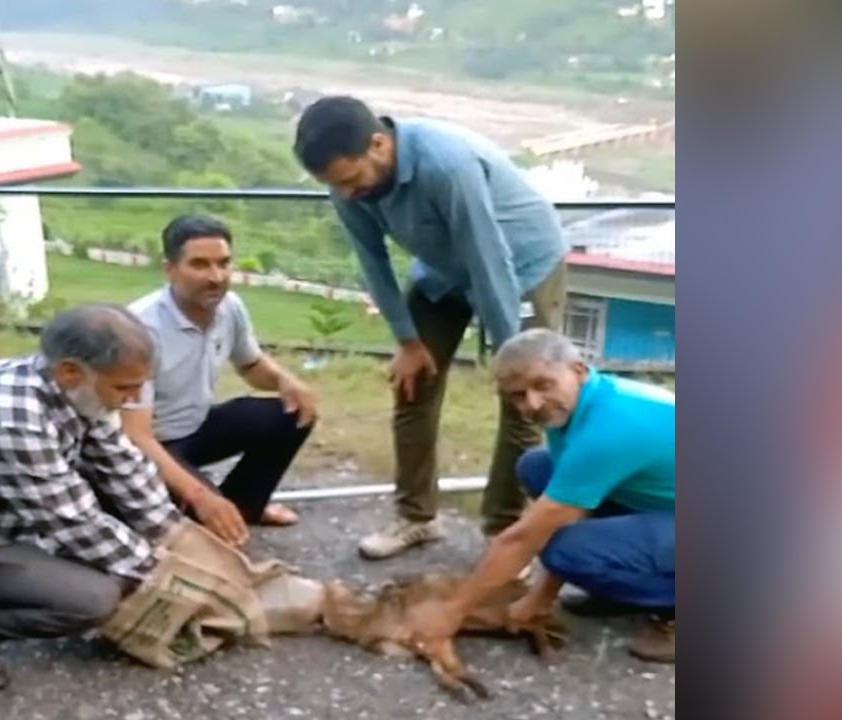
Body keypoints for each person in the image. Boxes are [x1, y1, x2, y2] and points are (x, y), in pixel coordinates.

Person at [292, 95, 571, 559]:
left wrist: (512, 353)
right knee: (412, 383)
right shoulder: (346, 184)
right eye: (334, 185)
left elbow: (489, 258)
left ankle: (502, 530)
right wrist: (406, 339)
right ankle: (416, 517)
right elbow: (372, 261)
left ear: (379, 145)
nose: (346, 193)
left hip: (522, 263)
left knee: (527, 397)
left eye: (350, 180)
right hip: (443, 270)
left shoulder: (446, 166)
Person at [0, 304, 181, 691]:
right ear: (70, 370)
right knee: (94, 599)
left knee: (129, 555)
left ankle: (30, 581)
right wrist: (161, 571)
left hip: (14, 518)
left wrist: (175, 535)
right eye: (124, 388)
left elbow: (123, 466)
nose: (134, 398)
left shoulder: (80, 389)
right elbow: (71, 520)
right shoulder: (8, 417)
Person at [406, 329, 676, 663]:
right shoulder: (582, 403)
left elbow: (522, 539)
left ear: (577, 370)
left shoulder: (609, 429)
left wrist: (453, 612)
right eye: (518, 396)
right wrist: (540, 597)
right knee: (537, 467)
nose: (532, 404)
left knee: (566, 550)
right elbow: (568, 512)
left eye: (543, 385)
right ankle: (626, 588)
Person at [123, 214, 319, 547]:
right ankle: (208, 511)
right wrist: (200, 495)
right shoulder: (139, 330)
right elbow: (136, 436)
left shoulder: (229, 307)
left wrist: (287, 380)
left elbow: (251, 365)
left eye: (223, 263)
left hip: (196, 429)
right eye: (199, 265)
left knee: (292, 412)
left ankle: (244, 508)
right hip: (148, 449)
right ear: (169, 269)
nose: (216, 277)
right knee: (205, 537)